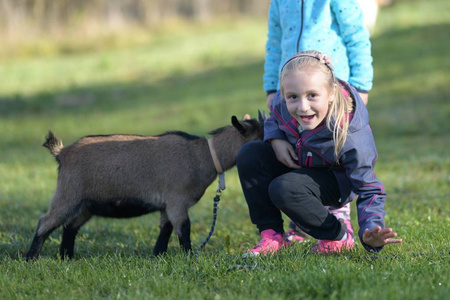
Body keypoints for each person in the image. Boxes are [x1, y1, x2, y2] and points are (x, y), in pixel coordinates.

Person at [237, 51, 402, 257]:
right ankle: (271, 236)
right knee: (250, 154)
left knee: (284, 188)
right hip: (299, 163)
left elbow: (369, 188)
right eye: (293, 97)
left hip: (333, 181)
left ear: (332, 92)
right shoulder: (283, 100)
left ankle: (338, 236)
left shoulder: (351, 132)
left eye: (312, 95)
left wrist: (371, 227)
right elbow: (274, 117)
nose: (303, 107)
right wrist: (275, 138)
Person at [263, 0, 374, 248]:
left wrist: (361, 84)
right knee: (300, 150)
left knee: (332, 153)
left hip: (329, 91)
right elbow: (274, 41)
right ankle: (303, 216)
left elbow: (356, 35)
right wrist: (272, 86)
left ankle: (338, 211)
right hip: (293, 89)